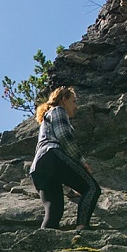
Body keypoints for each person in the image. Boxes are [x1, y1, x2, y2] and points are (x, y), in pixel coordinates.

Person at [29, 86, 101, 230]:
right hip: (52, 154)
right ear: (63, 100)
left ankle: (43, 242)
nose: (76, 106)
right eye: (73, 101)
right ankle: (82, 228)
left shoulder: (46, 119)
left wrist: (69, 191)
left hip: (39, 166)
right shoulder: (58, 110)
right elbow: (64, 137)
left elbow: (63, 171)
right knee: (92, 188)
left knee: (54, 210)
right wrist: (82, 163)